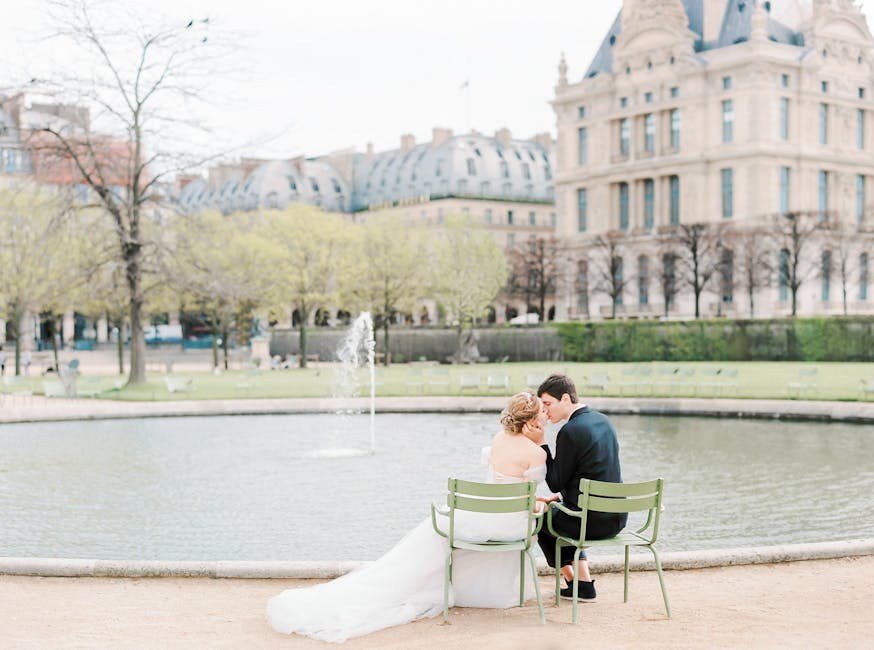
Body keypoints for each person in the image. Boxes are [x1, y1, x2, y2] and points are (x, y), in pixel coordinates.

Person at [266, 391, 550, 643]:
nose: (545, 417)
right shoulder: (536, 453)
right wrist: (541, 456)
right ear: (532, 421)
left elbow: (502, 484)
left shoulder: (498, 439)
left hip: (481, 513)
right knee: (535, 520)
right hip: (508, 523)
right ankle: (483, 590)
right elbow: (525, 493)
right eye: (542, 414)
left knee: (435, 530)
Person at [528, 373, 626, 603]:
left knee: (541, 518)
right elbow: (593, 471)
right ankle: (583, 585)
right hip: (616, 518)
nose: (545, 411)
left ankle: (575, 582)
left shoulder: (571, 431)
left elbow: (554, 480)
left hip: (588, 522)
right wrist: (560, 498)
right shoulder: (603, 421)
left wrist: (541, 443)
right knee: (558, 511)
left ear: (565, 398)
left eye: (548, 404)